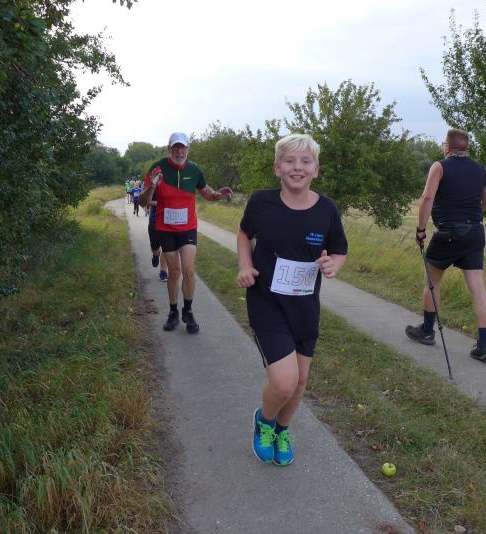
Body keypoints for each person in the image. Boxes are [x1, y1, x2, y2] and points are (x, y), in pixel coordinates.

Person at [237, 133, 348, 466]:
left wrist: (333, 265)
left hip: (304, 307)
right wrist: (245, 265)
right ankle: (265, 421)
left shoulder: (327, 209)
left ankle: (282, 430)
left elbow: (339, 249)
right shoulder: (261, 202)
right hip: (266, 302)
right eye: (289, 161)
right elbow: (244, 233)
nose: (297, 167)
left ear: (316, 169)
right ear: (277, 168)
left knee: (300, 381)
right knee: (284, 383)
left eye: (305, 161)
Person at [405, 128, 486, 361]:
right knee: (478, 288)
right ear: (466, 147)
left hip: (447, 233)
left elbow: (427, 197)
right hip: (474, 232)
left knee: (432, 281)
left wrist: (421, 229)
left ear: (447, 147)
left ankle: (427, 331)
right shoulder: (482, 170)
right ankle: (484, 345)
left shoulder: (439, 166)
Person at [138, 132, 233, 334]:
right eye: (175, 148)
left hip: (188, 227)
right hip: (165, 229)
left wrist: (218, 195)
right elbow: (142, 202)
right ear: (169, 149)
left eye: (183, 148)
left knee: (188, 270)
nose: (179, 151)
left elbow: (206, 192)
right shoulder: (157, 168)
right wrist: (152, 186)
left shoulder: (194, 169)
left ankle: (187, 311)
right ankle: (173, 312)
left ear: (188, 149)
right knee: (174, 272)